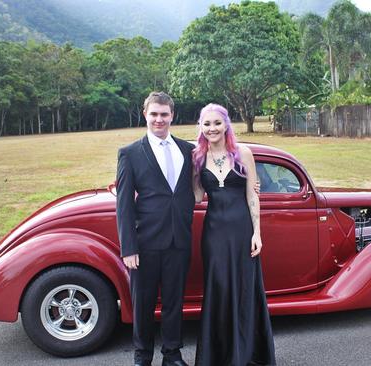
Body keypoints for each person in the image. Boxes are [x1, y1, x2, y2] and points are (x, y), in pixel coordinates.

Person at [192, 103, 276, 366]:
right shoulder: (197, 158)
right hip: (214, 234)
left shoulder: (243, 153)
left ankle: (247, 354)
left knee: (244, 289)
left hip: (242, 232)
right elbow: (195, 197)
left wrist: (257, 233)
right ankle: (219, 356)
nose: (212, 128)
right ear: (201, 127)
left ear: (226, 124)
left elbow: (253, 195)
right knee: (218, 289)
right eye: (207, 124)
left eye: (217, 123)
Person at [116, 91, 194, 366]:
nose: (159, 119)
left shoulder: (188, 149)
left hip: (179, 241)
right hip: (145, 244)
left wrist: (250, 185)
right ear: (145, 115)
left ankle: (172, 355)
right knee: (144, 305)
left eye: (164, 114)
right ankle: (142, 357)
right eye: (154, 114)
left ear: (172, 115)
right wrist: (129, 247)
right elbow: (123, 204)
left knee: (174, 303)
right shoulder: (130, 153)